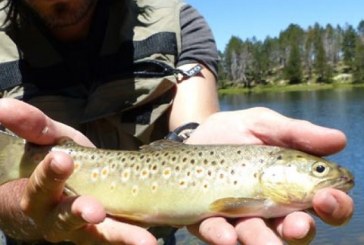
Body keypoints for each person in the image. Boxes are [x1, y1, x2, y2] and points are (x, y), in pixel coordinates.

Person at [0, 0, 353, 244]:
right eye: (319, 171)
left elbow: (195, 125)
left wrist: (198, 136)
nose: (329, 175)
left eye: (317, 171)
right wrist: (18, 204)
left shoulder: (180, 24)